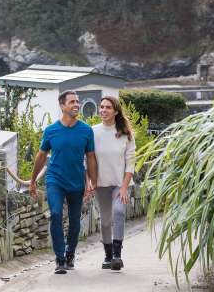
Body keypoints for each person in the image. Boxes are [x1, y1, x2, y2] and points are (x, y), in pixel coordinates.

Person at [30, 90, 97, 274]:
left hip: (76, 181)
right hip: (55, 180)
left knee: (75, 221)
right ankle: (60, 258)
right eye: (72, 102)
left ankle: (70, 254)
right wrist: (33, 179)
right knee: (56, 214)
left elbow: (90, 157)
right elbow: (41, 156)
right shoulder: (51, 131)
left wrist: (92, 181)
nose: (76, 105)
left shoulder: (86, 130)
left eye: (77, 102)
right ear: (62, 106)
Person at [92, 96, 136, 271]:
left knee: (118, 212)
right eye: (101, 107)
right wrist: (89, 180)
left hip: (120, 183)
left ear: (116, 111)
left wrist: (124, 187)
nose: (103, 110)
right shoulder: (92, 131)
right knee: (104, 222)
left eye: (107, 107)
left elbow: (131, 162)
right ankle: (108, 255)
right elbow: (88, 159)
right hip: (101, 183)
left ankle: (117, 256)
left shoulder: (126, 134)